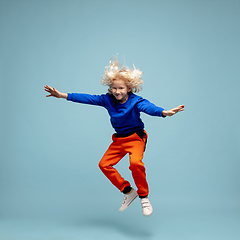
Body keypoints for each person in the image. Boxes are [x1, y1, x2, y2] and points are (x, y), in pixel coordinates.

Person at [44, 56, 184, 216]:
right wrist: (62, 95)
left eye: (121, 88)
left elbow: (149, 108)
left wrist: (164, 112)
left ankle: (144, 196)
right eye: (114, 88)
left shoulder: (136, 101)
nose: (117, 92)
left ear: (129, 88)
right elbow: (87, 98)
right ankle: (128, 191)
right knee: (104, 164)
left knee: (135, 163)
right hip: (119, 139)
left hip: (136, 138)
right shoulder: (107, 99)